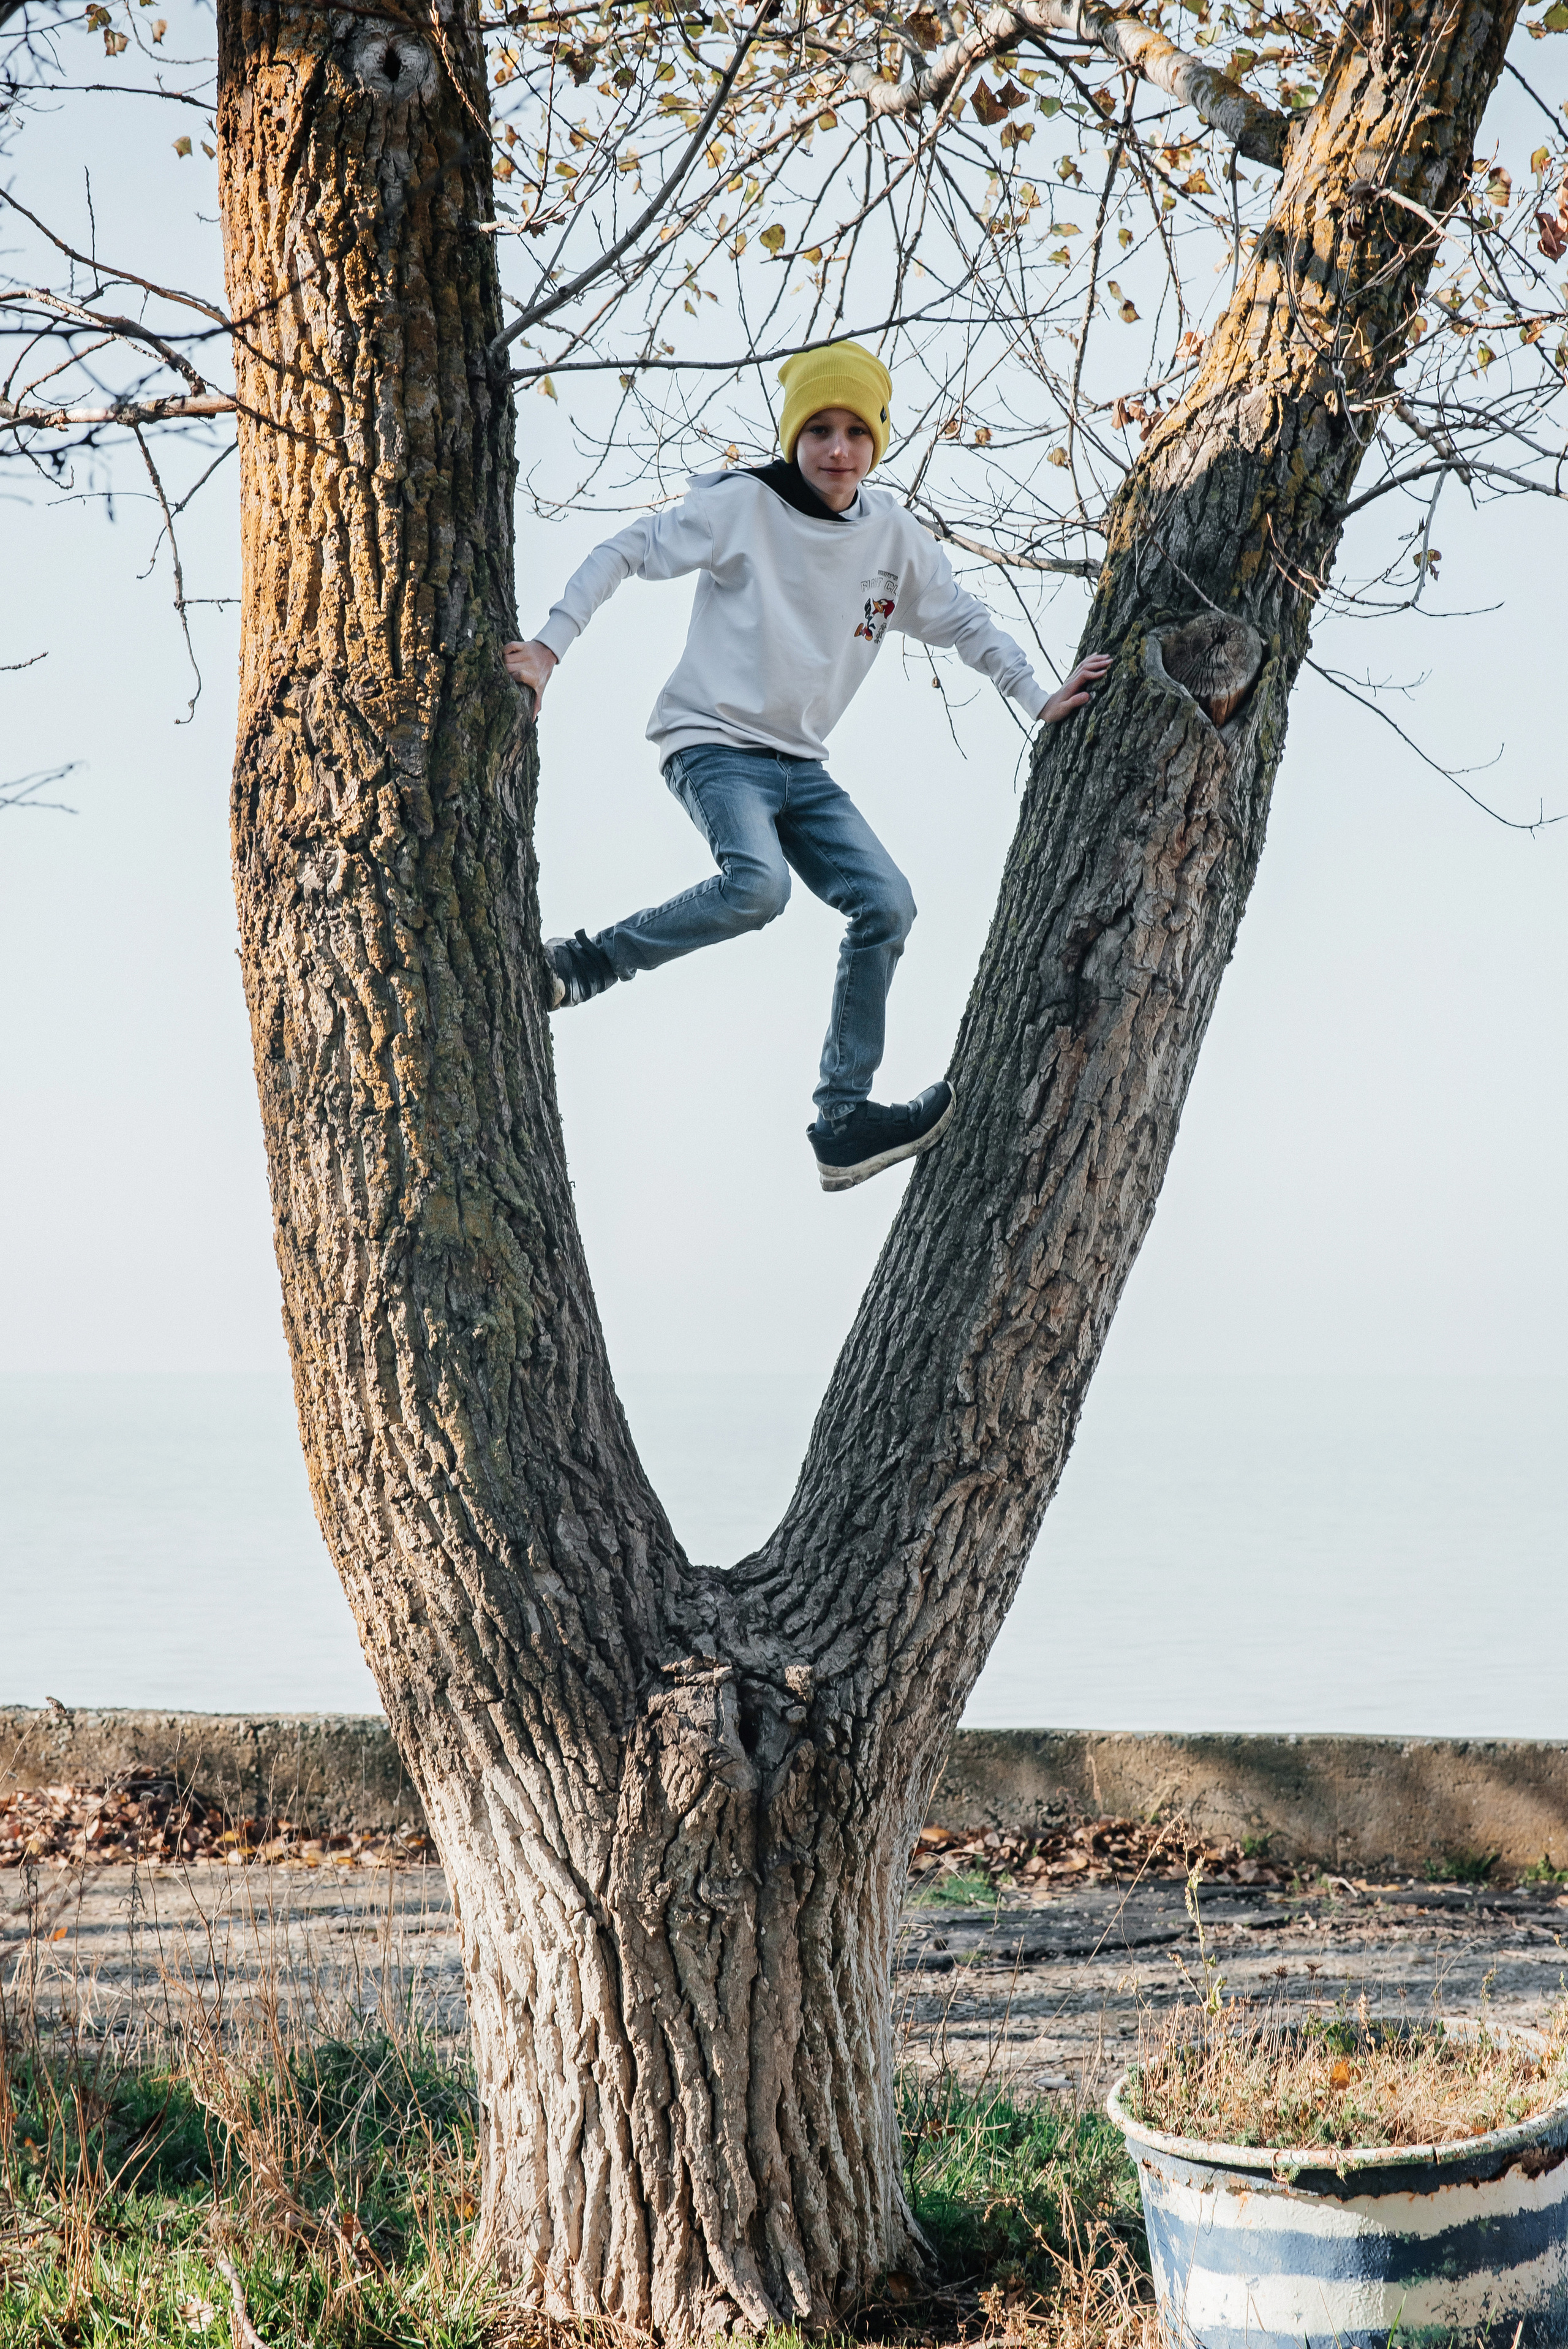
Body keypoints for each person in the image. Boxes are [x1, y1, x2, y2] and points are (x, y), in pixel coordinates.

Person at [504, 341, 1109, 1192]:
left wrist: (1037, 695)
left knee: (887, 903)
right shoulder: (743, 506)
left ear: (876, 443)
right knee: (758, 888)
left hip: (800, 767)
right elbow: (627, 551)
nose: (837, 451)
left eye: (855, 433)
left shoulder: (894, 539)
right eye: (819, 431)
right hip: (712, 742)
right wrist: (547, 648)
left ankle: (842, 1119)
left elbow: (967, 622)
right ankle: (584, 964)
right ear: (794, 437)